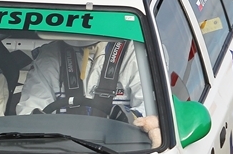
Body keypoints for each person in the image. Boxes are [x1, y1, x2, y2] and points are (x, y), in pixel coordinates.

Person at [16, 39, 161, 147]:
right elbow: (29, 117)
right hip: (58, 152)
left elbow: (150, 115)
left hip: (122, 153)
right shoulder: (49, 56)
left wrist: (134, 121)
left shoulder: (137, 54)